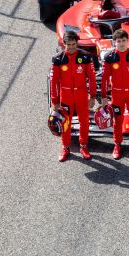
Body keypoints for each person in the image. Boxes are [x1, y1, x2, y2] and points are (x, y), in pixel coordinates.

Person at [49, 30, 97, 162]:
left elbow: (92, 78)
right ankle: (65, 147)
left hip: (82, 94)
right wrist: (55, 101)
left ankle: (83, 146)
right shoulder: (58, 59)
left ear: (77, 43)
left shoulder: (86, 56)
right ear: (64, 44)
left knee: (84, 122)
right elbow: (53, 82)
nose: (71, 47)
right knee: (65, 122)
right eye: (68, 44)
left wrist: (92, 96)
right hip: (66, 96)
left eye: (74, 44)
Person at [101, 30, 129, 159]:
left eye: (123, 40)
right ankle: (117, 144)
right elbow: (104, 79)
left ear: (128, 41)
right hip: (116, 94)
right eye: (118, 41)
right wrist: (104, 97)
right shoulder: (109, 57)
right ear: (114, 42)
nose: (121, 44)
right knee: (117, 121)